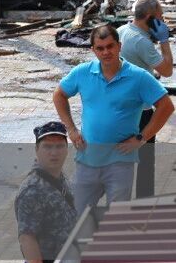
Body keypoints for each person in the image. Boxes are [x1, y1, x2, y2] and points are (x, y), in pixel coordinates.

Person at [53, 25, 174, 214]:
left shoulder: (138, 77)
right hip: (87, 160)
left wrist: (142, 138)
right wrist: (71, 130)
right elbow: (59, 95)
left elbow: (166, 106)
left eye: (110, 46)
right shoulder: (82, 72)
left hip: (120, 163)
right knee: (74, 214)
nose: (106, 52)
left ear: (119, 46)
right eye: (100, 48)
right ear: (93, 50)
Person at [117, 0, 174, 199]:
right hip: (140, 111)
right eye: (159, 18)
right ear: (150, 18)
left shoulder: (123, 31)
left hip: (120, 106)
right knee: (145, 162)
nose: (162, 23)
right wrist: (165, 41)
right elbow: (167, 70)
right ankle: (143, 205)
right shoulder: (142, 42)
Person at [15, 121, 77, 263]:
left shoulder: (58, 177)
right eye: (47, 147)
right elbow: (27, 239)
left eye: (59, 146)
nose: (54, 152)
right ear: (37, 150)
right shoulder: (32, 189)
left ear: (66, 149)